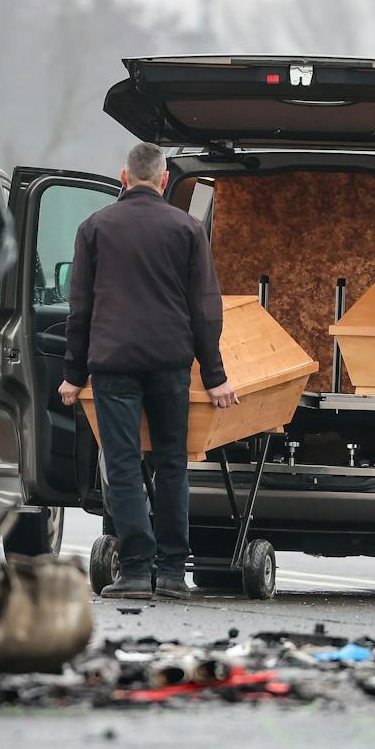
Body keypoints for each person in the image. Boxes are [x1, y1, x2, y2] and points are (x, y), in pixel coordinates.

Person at [58, 142, 237, 600]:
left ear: (123, 177)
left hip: (114, 364)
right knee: (171, 465)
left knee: (122, 465)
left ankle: (136, 570)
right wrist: (214, 375)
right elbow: (205, 309)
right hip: (169, 363)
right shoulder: (187, 227)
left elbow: (80, 308)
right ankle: (174, 573)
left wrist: (74, 374)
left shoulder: (94, 227)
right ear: (162, 180)